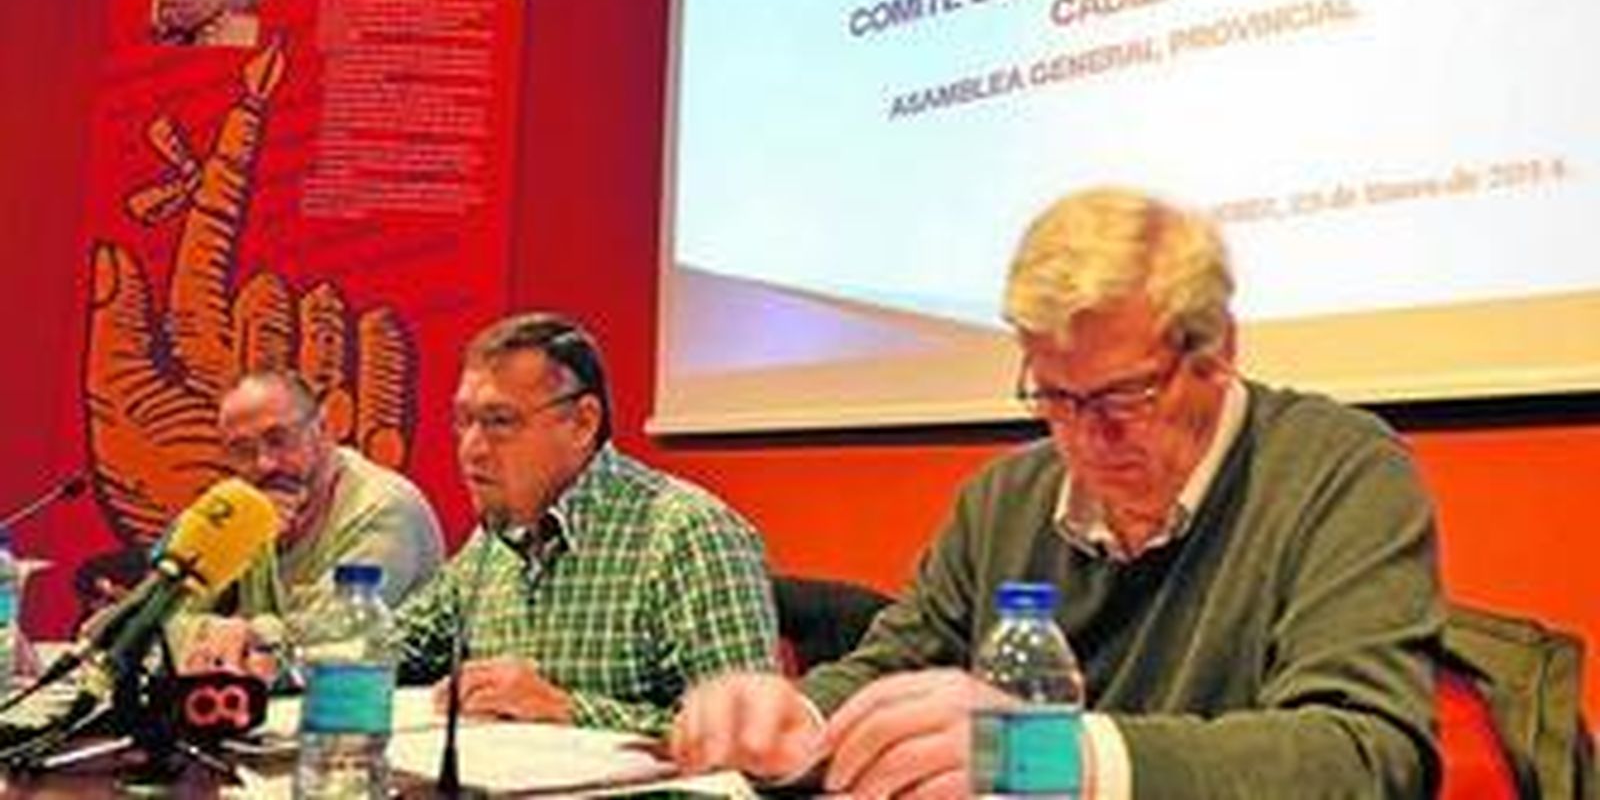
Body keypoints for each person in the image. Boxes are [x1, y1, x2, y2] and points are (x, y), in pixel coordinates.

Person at [672, 187, 1444, 799]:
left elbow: (1365, 755)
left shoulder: (1337, 470)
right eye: (1055, 395)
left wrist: (1047, 756)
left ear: (1218, 351)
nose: (1083, 437)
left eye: (1122, 396)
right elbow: (894, 663)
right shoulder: (1007, 495)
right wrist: (791, 717)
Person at [392, 312, 780, 736]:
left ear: (582, 423)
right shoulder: (498, 534)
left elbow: (748, 739)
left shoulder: (689, 536)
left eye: (500, 422)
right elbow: (399, 644)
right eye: (464, 421)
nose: (471, 449)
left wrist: (567, 708)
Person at [177, 369, 444, 675]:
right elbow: (159, 621)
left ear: (324, 429)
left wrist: (238, 635)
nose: (264, 463)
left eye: (278, 440)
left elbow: (337, 637)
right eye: (242, 451)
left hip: (374, 707)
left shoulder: (384, 507)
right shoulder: (243, 510)